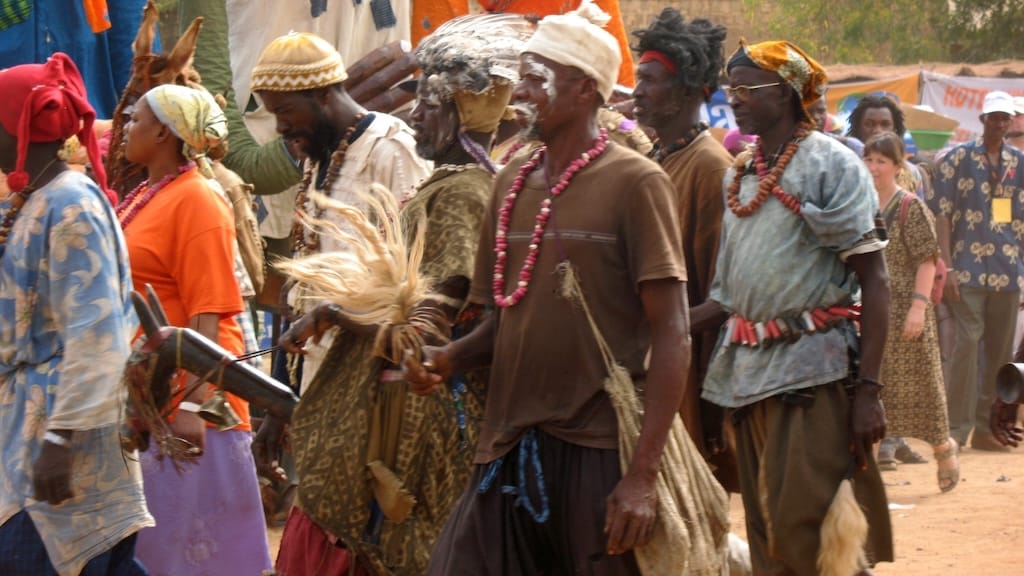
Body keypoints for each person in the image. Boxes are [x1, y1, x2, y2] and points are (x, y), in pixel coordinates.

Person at [404, 4, 696, 574]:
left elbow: (673, 331)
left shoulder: (637, 182)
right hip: (507, 443)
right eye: (522, 78)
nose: (521, 93)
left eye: (537, 79)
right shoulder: (512, 181)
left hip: (596, 449)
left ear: (586, 89)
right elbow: (502, 319)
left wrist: (641, 476)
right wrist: (449, 359)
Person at [259, 14, 526, 575]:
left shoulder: (454, 189)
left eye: (429, 103)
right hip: (375, 384)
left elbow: (428, 325)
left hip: (412, 407)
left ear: (460, 111)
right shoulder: (441, 182)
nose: (416, 113)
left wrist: (335, 313)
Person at [697, 40, 893, 574]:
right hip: (747, 375)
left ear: (784, 94)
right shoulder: (739, 174)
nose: (733, 100)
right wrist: (656, 326)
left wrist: (869, 393)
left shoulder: (833, 164)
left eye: (745, 90)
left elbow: (875, 282)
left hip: (813, 376)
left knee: (810, 532)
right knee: (766, 532)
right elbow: (726, 297)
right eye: (729, 89)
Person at [0, 53, 153, 576]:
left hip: (62, 448)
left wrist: (59, 441)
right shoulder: (32, 200)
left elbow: (98, 334)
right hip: (27, 433)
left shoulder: (71, 205)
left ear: (17, 127)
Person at [119, 83, 272, 575]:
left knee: (191, 554)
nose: (125, 127)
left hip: (192, 404)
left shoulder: (199, 199)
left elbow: (208, 312)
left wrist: (193, 407)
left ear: (163, 132)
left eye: (135, 119)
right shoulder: (149, 192)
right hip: (153, 394)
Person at [249, 31, 430, 393]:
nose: (281, 127)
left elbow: (416, 283)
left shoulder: (391, 150)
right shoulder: (318, 158)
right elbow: (303, 288)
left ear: (323, 95)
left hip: (372, 376)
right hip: (317, 372)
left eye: (285, 111)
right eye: (273, 114)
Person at [630, 7, 738, 488]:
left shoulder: (710, 168)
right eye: (640, 78)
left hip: (683, 373)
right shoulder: (656, 159)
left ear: (692, 92)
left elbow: (721, 296)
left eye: (651, 80)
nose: (637, 91)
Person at [928, 90, 1024, 452]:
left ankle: (988, 428)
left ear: (1010, 121)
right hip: (966, 269)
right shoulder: (956, 160)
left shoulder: (1019, 163)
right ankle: (956, 428)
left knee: (1001, 353)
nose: (999, 123)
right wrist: (947, 265)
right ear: (982, 121)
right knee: (967, 345)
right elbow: (942, 214)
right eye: (993, 117)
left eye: (1005, 117)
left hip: (1008, 268)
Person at [864, 132, 960, 492]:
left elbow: (927, 260)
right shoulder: (860, 204)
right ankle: (867, 468)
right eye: (869, 160)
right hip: (871, 311)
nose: (873, 168)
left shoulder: (910, 207)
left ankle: (943, 448)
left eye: (881, 162)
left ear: (897, 166)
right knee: (871, 388)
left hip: (907, 309)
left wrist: (918, 308)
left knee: (924, 389)